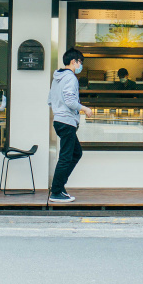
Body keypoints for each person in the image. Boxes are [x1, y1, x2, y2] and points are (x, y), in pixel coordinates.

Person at [48, 47, 92, 203]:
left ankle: (59, 187)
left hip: (59, 120)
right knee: (66, 157)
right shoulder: (71, 78)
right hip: (67, 121)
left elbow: (50, 100)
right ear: (74, 61)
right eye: (80, 62)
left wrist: (59, 109)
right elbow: (70, 100)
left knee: (75, 153)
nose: (81, 66)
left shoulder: (56, 78)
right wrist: (84, 108)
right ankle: (56, 191)